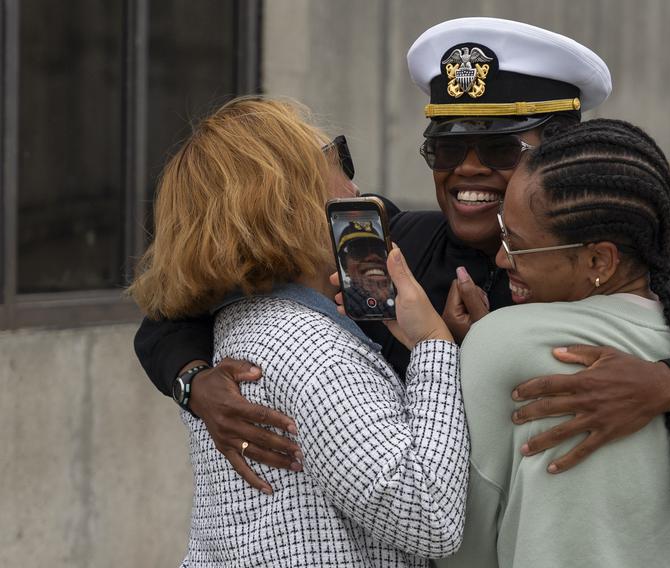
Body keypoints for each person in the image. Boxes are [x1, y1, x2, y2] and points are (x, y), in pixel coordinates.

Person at [133, 17, 670, 493]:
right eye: (447, 146)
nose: (467, 169)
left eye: (501, 147)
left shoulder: (621, 259)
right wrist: (197, 383)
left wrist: (667, 383)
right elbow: (188, 299)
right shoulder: (392, 246)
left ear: (564, 153)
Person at [128, 97, 468, 566]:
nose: (355, 183)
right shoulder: (309, 352)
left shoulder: (240, 325)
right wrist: (434, 343)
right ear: (288, 200)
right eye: (337, 160)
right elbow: (430, 515)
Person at [444, 118, 670, 568]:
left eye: (515, 243)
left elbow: (458, 542)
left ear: (599, 260)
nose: (501, 258)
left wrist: (433, 349)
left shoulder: (503, 342)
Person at [335, 220, 396, 319]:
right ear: (344, 265)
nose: (374, 257)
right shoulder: (343, 310)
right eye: (359, 250)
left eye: (379, 250)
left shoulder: (403, 302)